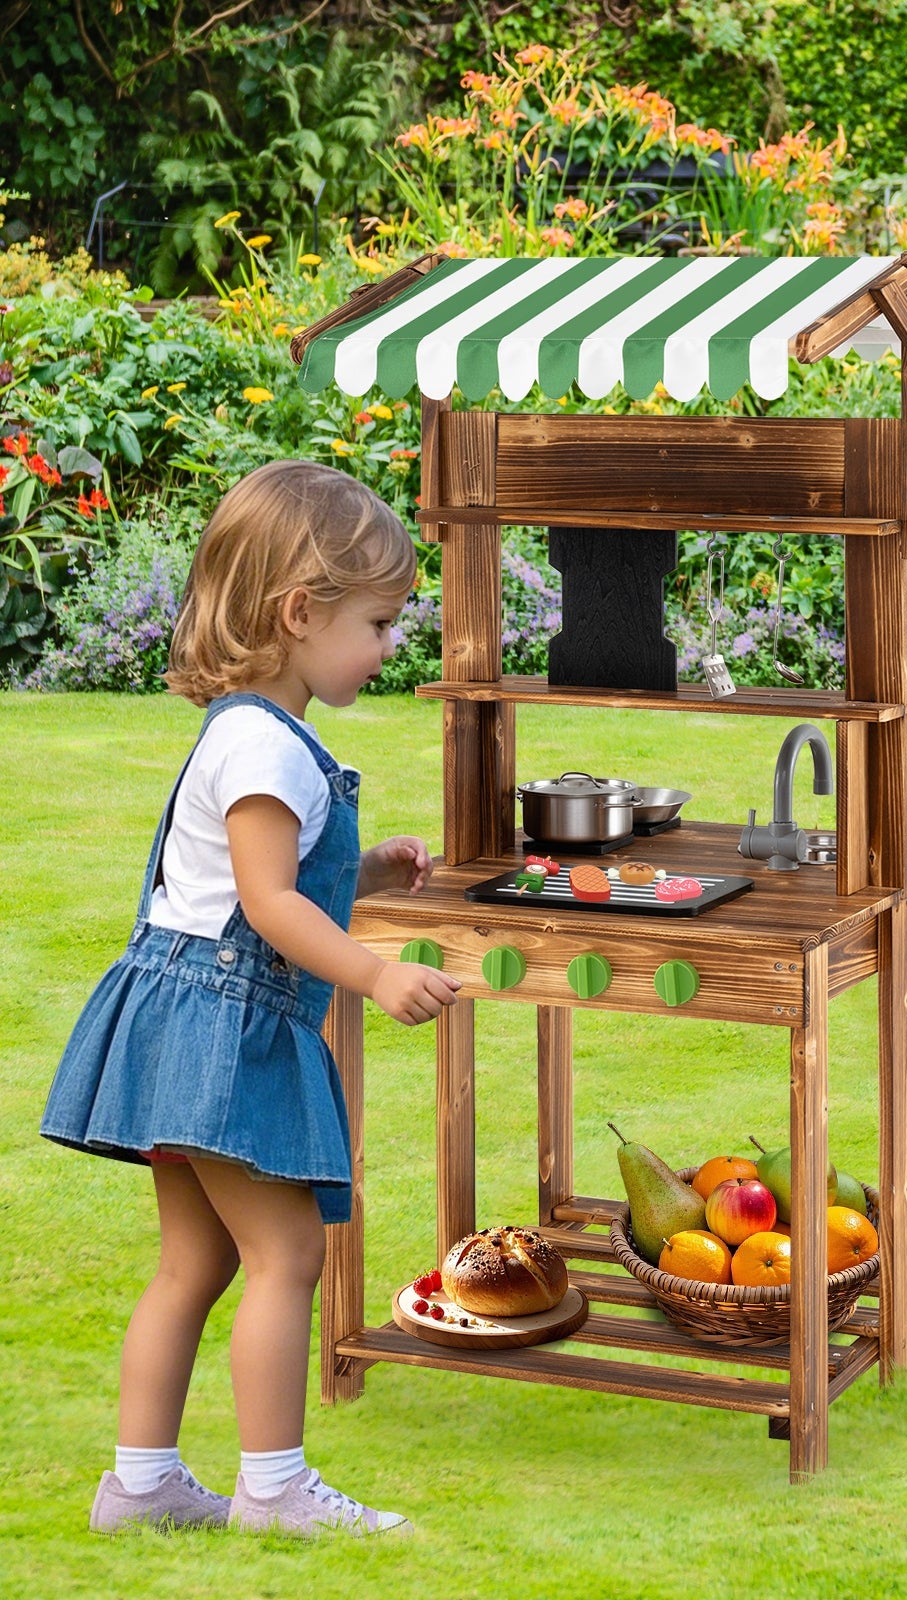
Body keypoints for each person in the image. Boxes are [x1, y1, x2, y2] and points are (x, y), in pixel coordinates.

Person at [41, 460, 461, 1536]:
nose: (386, 645)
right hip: (226, 1027)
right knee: (290, 1254)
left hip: (172, 1017)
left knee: (197, 1260)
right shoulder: (270, 747)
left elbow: (241, 882)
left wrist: (364, 875)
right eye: (376, 621)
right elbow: (269, 905)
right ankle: (272, 1491)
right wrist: (375, 967)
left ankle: (139, 1484)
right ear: (298, 612)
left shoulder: (242, 733)